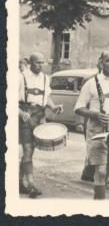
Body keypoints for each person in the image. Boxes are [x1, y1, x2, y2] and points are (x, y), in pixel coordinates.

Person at [74, 50, 109, 200]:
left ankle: (99, 200)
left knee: (108, 167)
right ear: (101, 62)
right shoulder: (92, 83)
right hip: (97, 130)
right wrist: (95, 114)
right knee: (101, 170)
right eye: (108, 60)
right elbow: (78, 108)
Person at [19, 52, 63, 198]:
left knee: (31, 151)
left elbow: (46, 97)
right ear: (30, 62)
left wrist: (54, 107)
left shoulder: (46, 78)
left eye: (43, 63)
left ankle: (20, 182)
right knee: (27, 149)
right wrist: (20, 113)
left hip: (40, 116)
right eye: (38, 62)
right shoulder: (21, 77)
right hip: (26, 115)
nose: (41, 65)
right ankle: (31, 184)